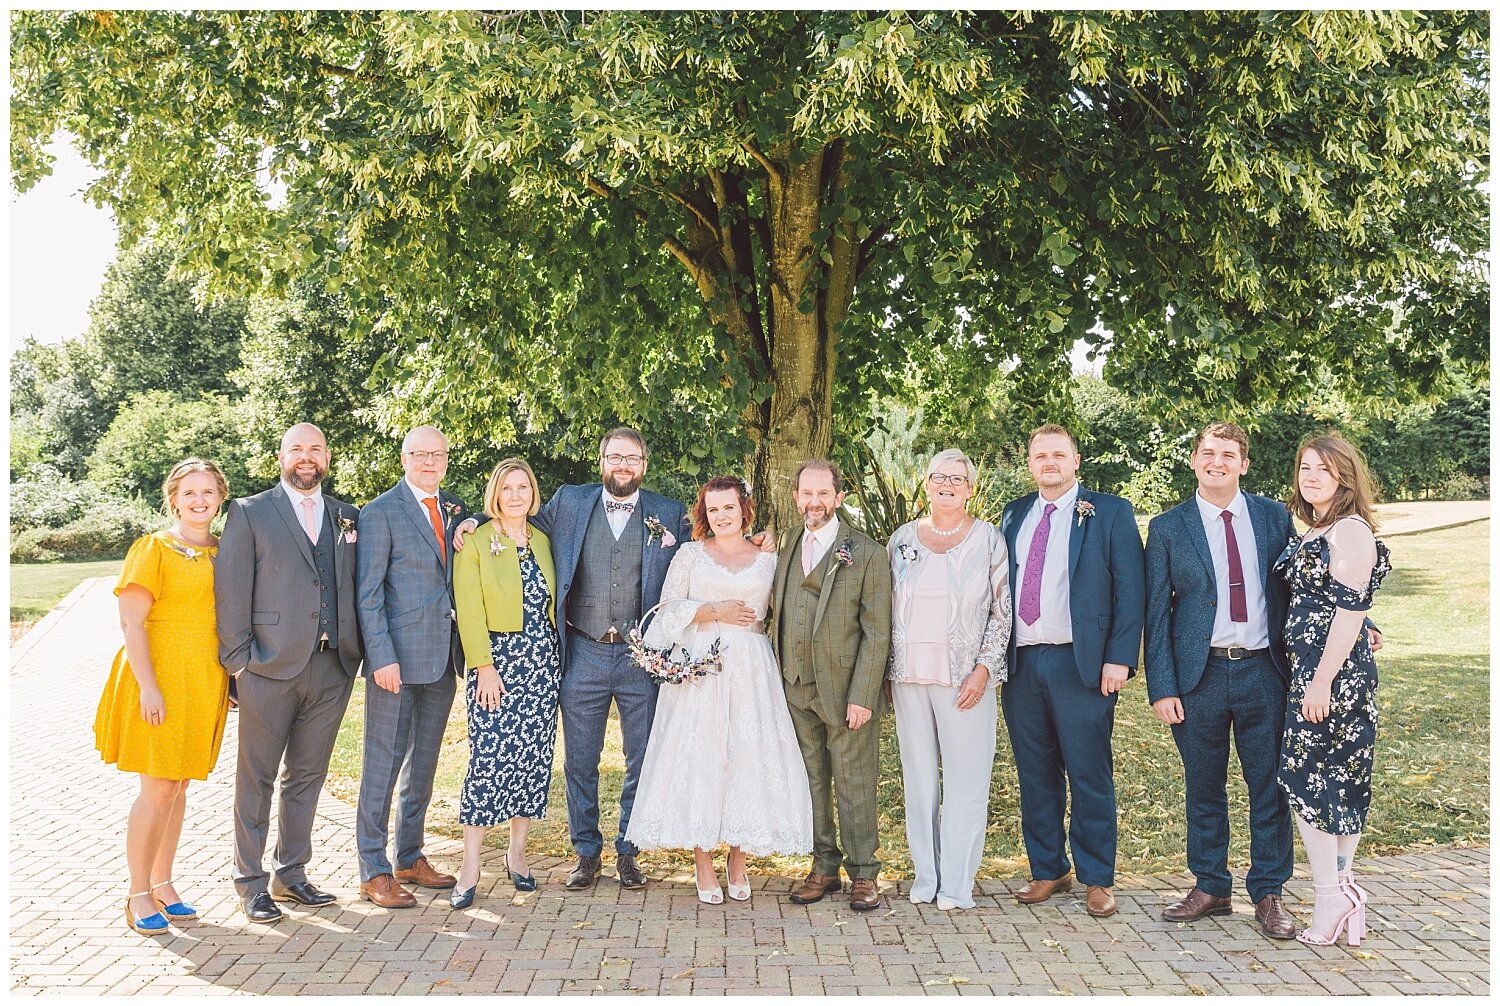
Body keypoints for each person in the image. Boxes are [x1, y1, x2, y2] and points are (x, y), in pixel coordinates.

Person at [1144, 422, 1301, 938]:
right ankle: (1210, 883)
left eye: (1228, 454)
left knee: (1269, 786)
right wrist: (1163, 686)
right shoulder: (1168, 527)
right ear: (1194, 459)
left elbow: (1307, 584)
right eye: (1208, 452)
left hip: (1264, 672)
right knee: (1203, 785)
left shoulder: (1273, 517)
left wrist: (1360, 621)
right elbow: (1157, 615)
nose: (1217, 461)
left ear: (1243, 464)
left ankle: (1269, 892)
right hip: (1199, 676)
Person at [626, 476, 813, 903]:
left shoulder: (770, 556)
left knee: (745, 759)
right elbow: (667, 611)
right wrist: (712, 611)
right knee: (703, 759)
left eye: (729, 508)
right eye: (713, 510)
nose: (721, 516)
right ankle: (703, 861)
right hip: (701, 668)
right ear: (704, 515)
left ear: (744, 509)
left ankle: (738, 857)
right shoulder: (690, 555)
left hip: (751, 669)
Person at [215, 423, 364, 924]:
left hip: (331, 667)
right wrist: (239, 663)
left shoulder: (348, 515)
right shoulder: (250, 512)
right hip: (268, 667)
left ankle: (291, 872)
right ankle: (250, 882)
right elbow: (231, 590)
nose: (306, 457)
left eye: (315, 449)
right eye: (297, 449)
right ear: (281, 456)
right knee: (255, 778)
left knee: (307, 775)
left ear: (327, 456)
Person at [998, 424, 1144, 918]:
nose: (1050, 464)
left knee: (1088, 772)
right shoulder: (1014, 514)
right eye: (1041, 456)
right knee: (1035, 772)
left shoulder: (1110, 512)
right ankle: (1047, 868)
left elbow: (1131, 590)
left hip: (1082, 663)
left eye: (1059, 455)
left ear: (1076, 460)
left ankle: (1098, 877)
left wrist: (1119, 658)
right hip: (1022, 662)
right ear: (1030, 463)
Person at [96, 459, 232, 934]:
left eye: (208, 493)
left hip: (203, 681)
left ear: (221, 498)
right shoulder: (153, 548)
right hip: (158, 678)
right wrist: (149, 687)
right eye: (189, 493)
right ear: (173, 497)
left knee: (178, 787)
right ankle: (136, 893)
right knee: (156, 789)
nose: (199, 501)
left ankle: (163, 882)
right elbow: (132, 622)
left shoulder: (225, 549)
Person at [1276, 434, 1391, 947]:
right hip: (1316, 672)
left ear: (1345, 476)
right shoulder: (1319, 528)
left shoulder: (1348, 530)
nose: (1312, 477)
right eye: (1305, 468)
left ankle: (1330, 895)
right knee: (1336, 783)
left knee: (1309, 782)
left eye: (1323, 469)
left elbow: (1349, 608)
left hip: (1332, 679)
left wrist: (1321, 681)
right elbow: (1345, 599)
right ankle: (1343, 893)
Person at [885, 449, 1011, 912]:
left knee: (967, 783)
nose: (948, 484)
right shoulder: (901, 539)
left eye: (958, 479)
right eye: (939, 476)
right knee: (919, 783)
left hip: (965, 680)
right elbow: (883, 608)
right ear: (926, 484)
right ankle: (926, 878)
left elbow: (1003, 612)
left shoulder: (989, 540)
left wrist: (983, 669)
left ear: (970, 488)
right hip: (908, 678)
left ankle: (957, 884)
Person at [769, 459, 892, 911]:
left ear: (839, 497)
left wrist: (863, 695)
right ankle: (823, 866)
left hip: (844, 691)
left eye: (824, 493)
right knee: (813, 779)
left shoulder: (867, 552)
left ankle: (864, 873)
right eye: (807, 493)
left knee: (854, 780)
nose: (814, 501)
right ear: (796, 497)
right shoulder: (785, 543)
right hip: (795, 685)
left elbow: (878, 633)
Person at [352, 426, 467, 909]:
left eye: (437, 454)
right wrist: (382, 658)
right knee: (382, 764)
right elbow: (369, 594)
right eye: (419, 454)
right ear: (404, 458)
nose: (429, 462)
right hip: (395, 664)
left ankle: (409, 856)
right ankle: (373, 870)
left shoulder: (456, 510)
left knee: (423, 766)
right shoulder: (380, 513)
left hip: (442, 660)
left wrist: (473, 519)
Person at [449, 458, 561, 909]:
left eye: (523, 488)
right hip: (497, 665)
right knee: (488, 761)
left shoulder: (544, 541)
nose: (515, 496)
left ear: (533, 494)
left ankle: (517, 853)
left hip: (542, 666)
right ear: (495, 494)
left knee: (532, 760)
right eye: (507, 488)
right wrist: (483, 666)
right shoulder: (475, 540)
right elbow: (469, 606)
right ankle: (471, 864)